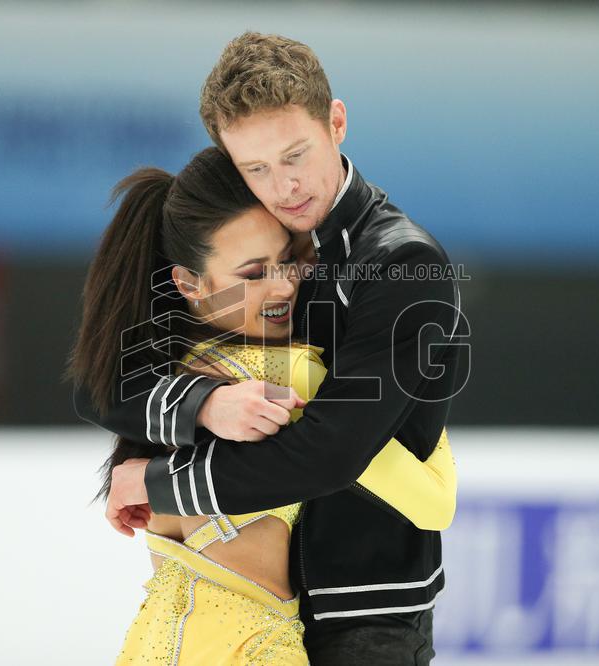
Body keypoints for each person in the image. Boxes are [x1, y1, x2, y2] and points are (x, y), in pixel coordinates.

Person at [75, 33, 467, 664]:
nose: (283, 186)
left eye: (295, 155)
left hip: (361, 612)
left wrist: (155, 482)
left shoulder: (400, 262)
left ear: (336, 124)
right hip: (257, 606)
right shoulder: (252, 248)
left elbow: (330, 453)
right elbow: (101, 374)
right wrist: (205, 403)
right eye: (255, 168)